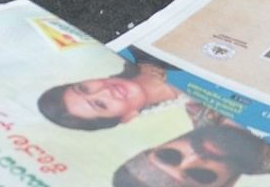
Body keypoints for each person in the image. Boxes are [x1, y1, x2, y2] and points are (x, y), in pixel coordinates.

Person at [111, 119, 270, 187]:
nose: (195, 158)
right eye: (200, 175)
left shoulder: (188, 89)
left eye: (169, 156)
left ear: (160, 146)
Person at [37, 54, 190, 130]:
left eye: (85, 89)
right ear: (127, 117)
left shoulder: (136, 52)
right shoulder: (202, 112)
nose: (105, 91)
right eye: (100, 104)